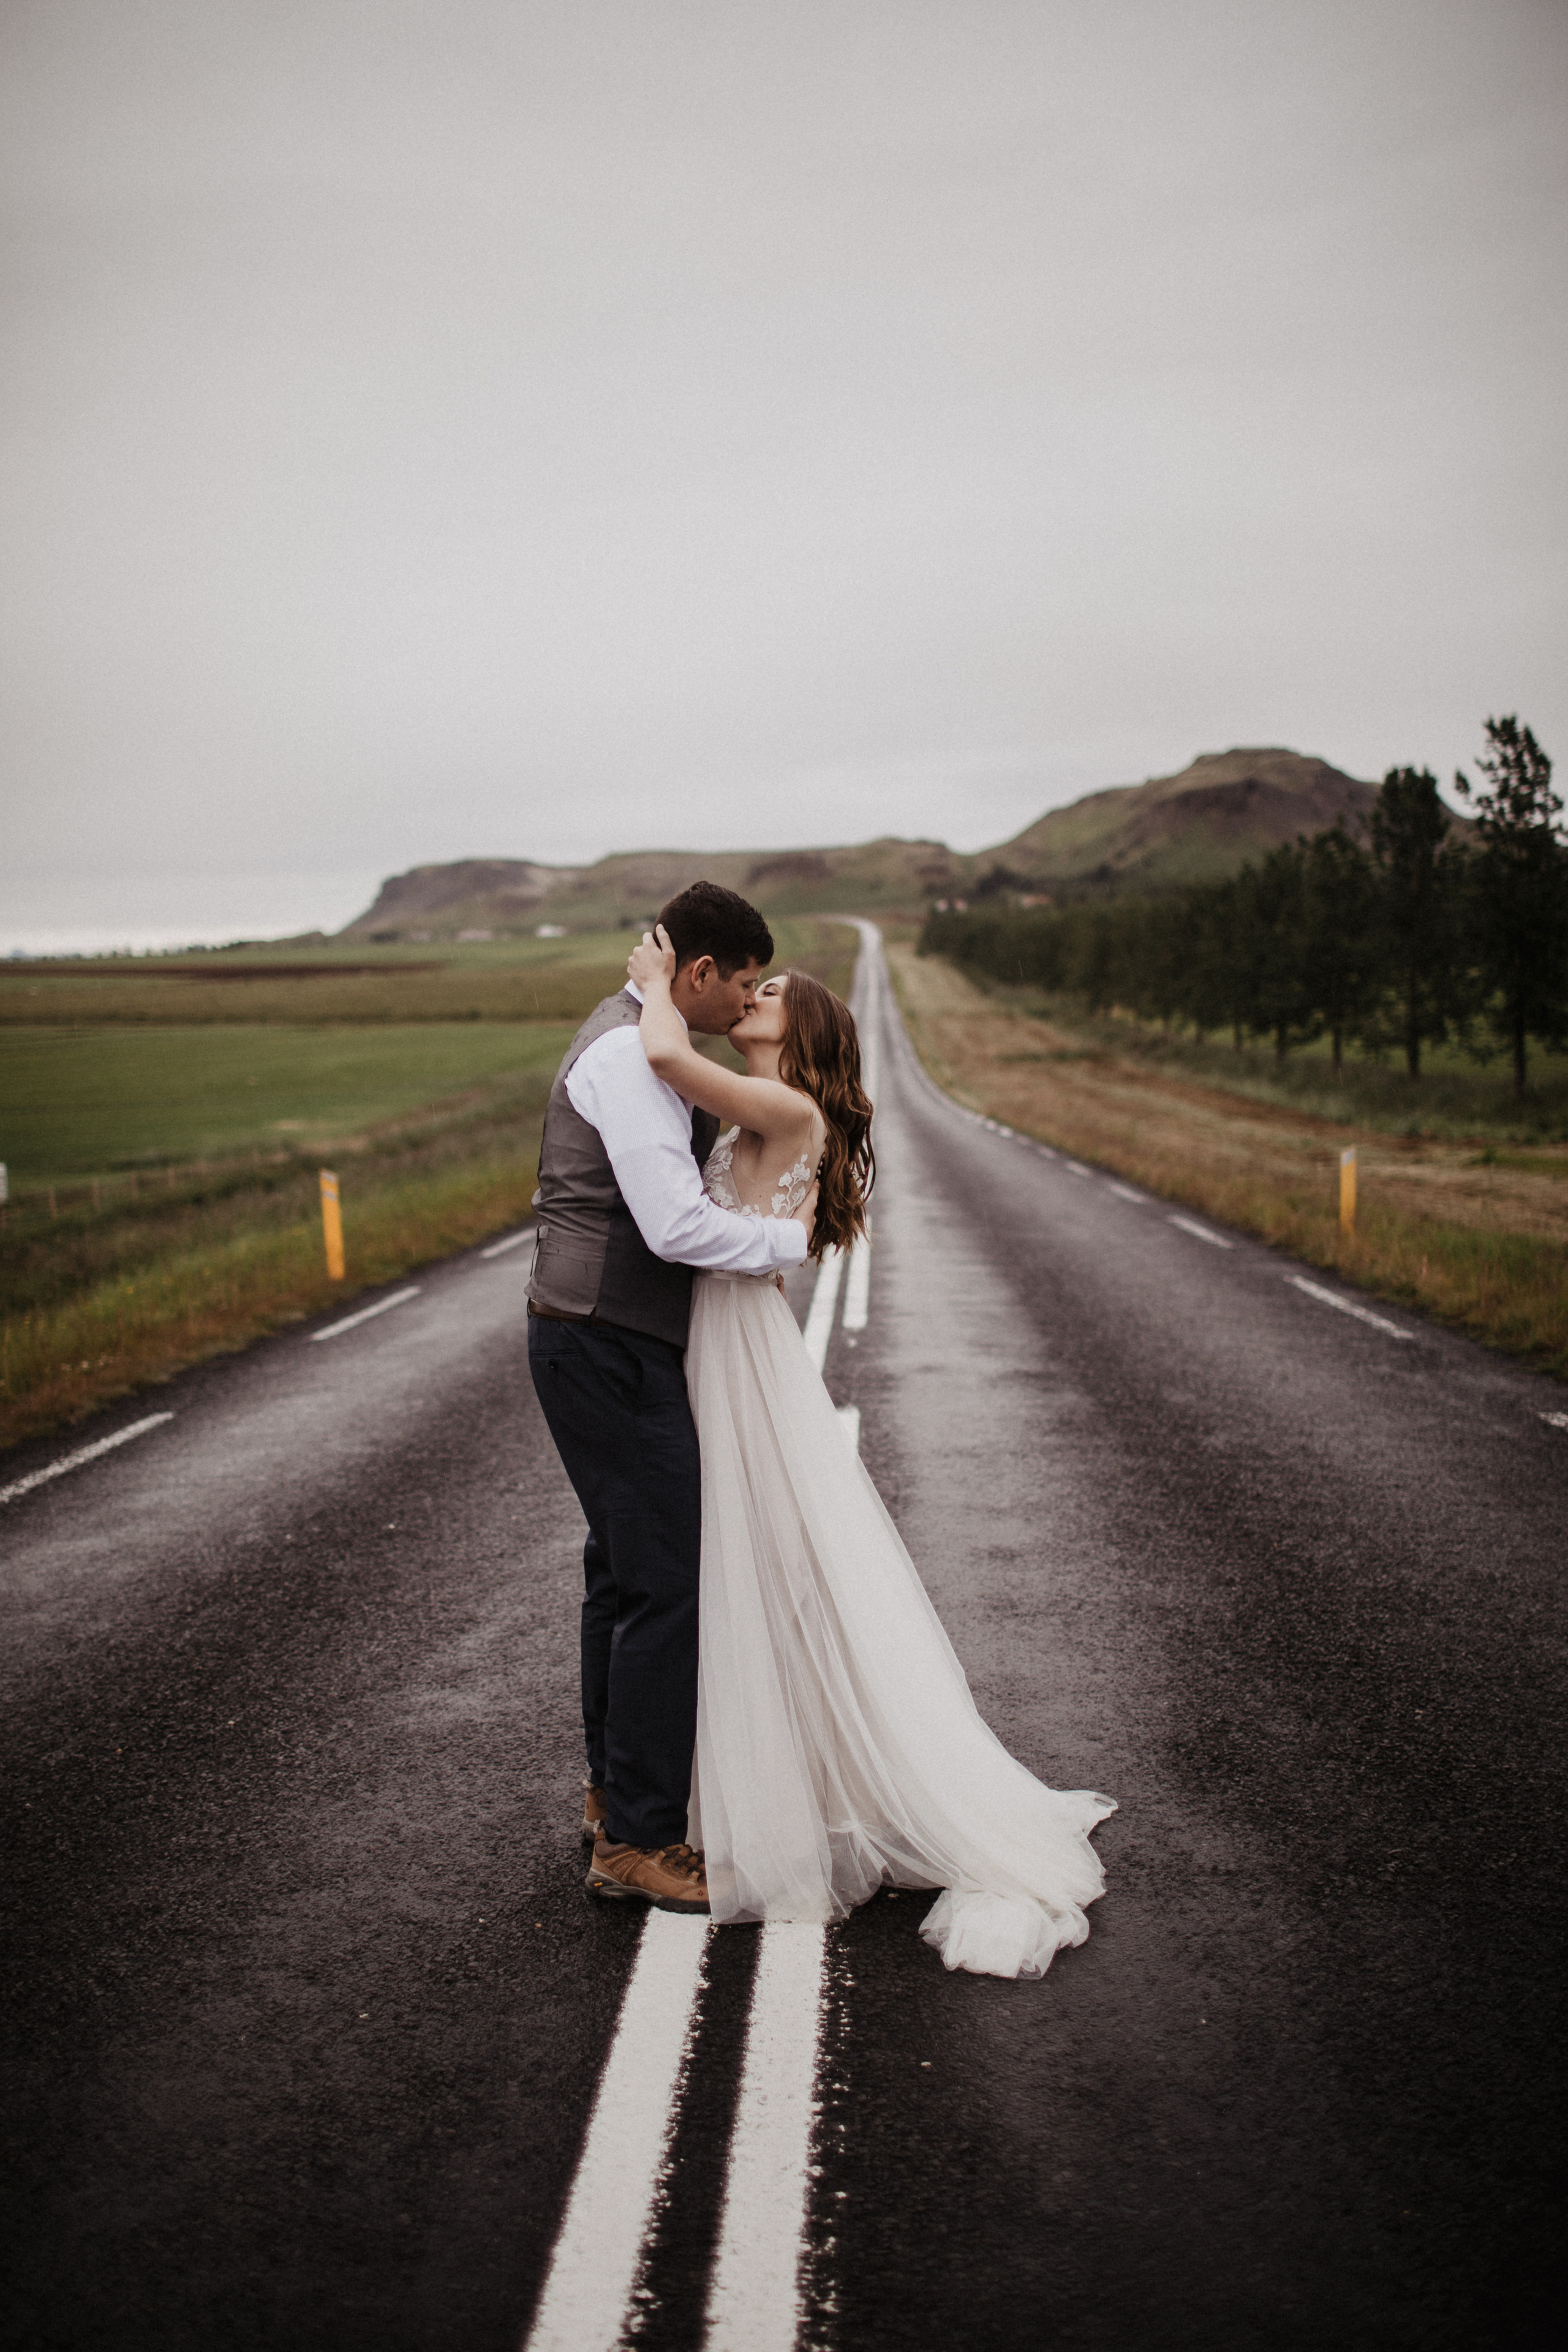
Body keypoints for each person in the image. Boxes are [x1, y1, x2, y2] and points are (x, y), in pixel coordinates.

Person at [625, 924, 1115, 1980]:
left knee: (752, 1554)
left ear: (804, 1035)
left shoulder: (793, 1107)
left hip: (741, 1349)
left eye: (776, 994)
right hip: (722, 1336)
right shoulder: (776, 1103)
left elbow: (665, 1056)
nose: (756, 995)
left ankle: (784, 1791)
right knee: (742, 1557)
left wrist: (653, 982)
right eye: (755, 985)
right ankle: (771, 1776)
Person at [527, 882, 812, 1916]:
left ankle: (615, 1802)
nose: (744, 1001)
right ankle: (641, 1840)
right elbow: (675, 1228)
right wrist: (792, 1243)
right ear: (697, 973)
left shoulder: (643, 1043)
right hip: (602, 1341)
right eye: (738, 981)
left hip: (599, 1337)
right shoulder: (625, 1058)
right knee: (660, 1582)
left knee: (621, 1575)